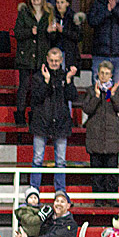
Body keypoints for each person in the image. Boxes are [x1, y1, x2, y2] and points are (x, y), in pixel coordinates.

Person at [29, 48, 77, 192]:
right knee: (37, 159)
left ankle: (60, 192)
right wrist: (46, 81)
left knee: (61, 162)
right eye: (52, 61)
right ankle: (34, 191)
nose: (54, 63)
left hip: (61, 123)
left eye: (57, 61)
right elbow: (35, 98)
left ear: (61, 61)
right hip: (41, 123)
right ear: (47, 59)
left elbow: (73, 96)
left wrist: (68, 80)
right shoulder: (38, 76)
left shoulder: (65, 76)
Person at [83, 60, 119, 205]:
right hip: (95, 137)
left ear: (111, 75)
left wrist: (111, 95)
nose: (104, 76)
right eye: (102, 73)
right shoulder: (90, 90)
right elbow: (87, 109)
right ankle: (99, 199)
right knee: (97, 172)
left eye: (107, 73)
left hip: (111, 137)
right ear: (97, 74)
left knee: (112, 172)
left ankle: (112, 198)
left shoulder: (116, 90)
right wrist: (95, 96)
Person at [14, 0, 54, 126]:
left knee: (38, 87)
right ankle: (20, 114)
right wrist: (30, 32)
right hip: (25, 55)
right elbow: (17, 33)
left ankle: (35, 115)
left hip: (41, 56)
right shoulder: (24, 13)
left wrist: (50, 32)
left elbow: (53, 38)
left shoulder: (48, 14)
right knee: (24, 86)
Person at [48, 0, 85, 72]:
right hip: (56, 52)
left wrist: (63, 31)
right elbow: (50, 38)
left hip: (69, 53)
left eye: (62, 2)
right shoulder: (52, 17)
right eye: (57, 2)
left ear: (67, 3)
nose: (59, 5)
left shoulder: (73, 17)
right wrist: (51, 32)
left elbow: (79, 36)